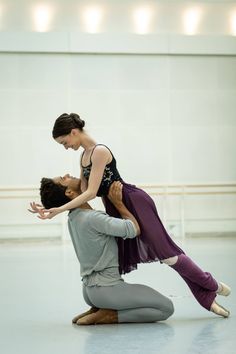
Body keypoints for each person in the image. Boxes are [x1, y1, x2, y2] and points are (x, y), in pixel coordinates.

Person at [30, 113, 231, 317]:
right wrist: (51, 205)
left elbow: (91, 192)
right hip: (115, 205)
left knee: (169, 255)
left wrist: (59, 210)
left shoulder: (99, 151)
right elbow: (81, 191)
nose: (66, 147)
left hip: (132, 202)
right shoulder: (83, 157)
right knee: (168, 258)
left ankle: (210, 285)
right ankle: (208, 296)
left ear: (74, 132)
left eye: (65, 142)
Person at [36, 177, 175, 325]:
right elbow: (133, 229)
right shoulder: (92, 218)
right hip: (107, 291)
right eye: (64, 179)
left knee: (156, 303)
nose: (68, 174)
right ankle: (110, 315)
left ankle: (98, 309)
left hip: (90, 292)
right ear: (69, 192)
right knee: (166, 308)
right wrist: (118, 203)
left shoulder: (74, 218)